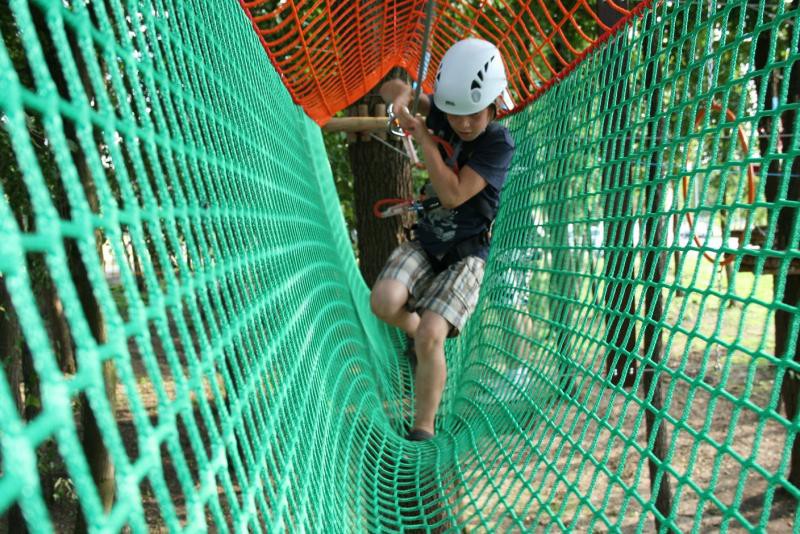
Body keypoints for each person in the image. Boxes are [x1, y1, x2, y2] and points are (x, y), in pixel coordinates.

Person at [369, 38, 516, 441]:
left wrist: (428, 142)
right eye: (454, 115)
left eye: (472, 114)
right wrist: (399, 97)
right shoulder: (443, 113)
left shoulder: (497, 143)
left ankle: (423, 428)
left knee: (432, 334)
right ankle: (415, 332)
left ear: (493, 104)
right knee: (383, 301)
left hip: (466, 254)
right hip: (428, 240)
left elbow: (453, 193)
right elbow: (393, 91)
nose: (463, 124)